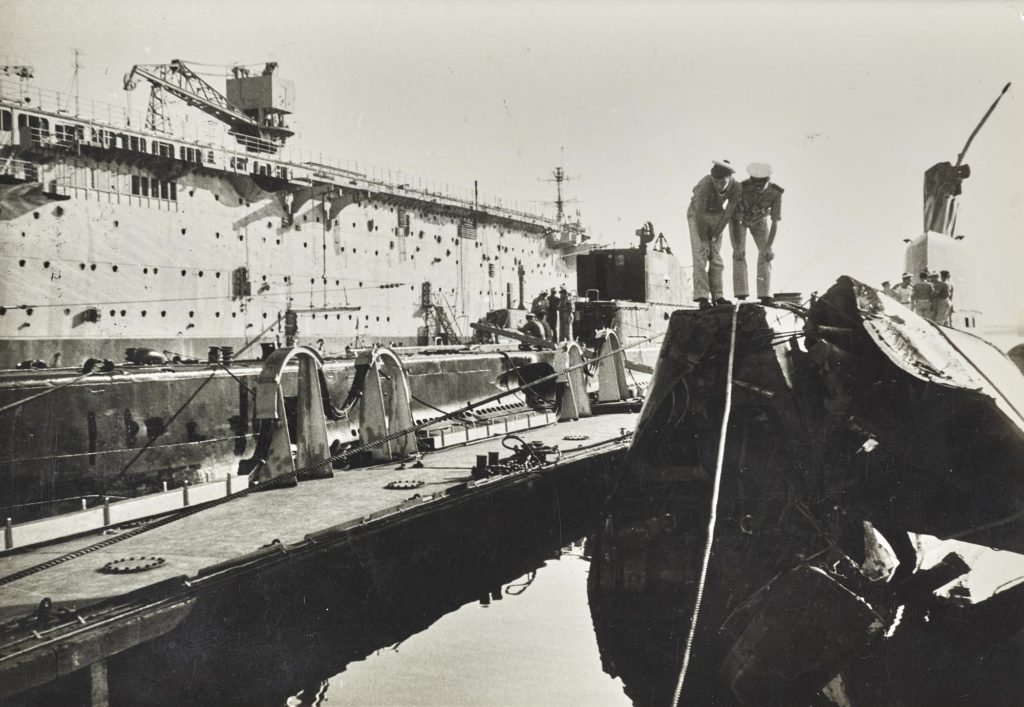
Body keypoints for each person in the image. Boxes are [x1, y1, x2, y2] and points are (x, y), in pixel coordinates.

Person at [688, 159, 741, 309]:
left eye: (721, 182)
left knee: (716, 257)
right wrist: (705, 238)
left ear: (729, 178)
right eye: (715, 181)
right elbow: (699, 214)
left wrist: (716, 233)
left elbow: (729, 212)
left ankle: (718, 296)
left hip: (718, 215)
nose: (718, 185)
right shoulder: (705, 184)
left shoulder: (736, 187)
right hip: (698, 215)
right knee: (701, 254)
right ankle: (702, 297)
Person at [730, 162, 783, 305]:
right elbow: (735, 218)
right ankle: (741, 294)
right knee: (739, 254)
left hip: (760, 221)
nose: (757, 188)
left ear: (767, 180)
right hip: (739, 221)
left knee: (766, 255)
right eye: (755, 184)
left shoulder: (776, 193)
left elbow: (775, 221)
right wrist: (738, 245)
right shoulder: (741, 188)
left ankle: (765, 294)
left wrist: (768, 246)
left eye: (761, 185)